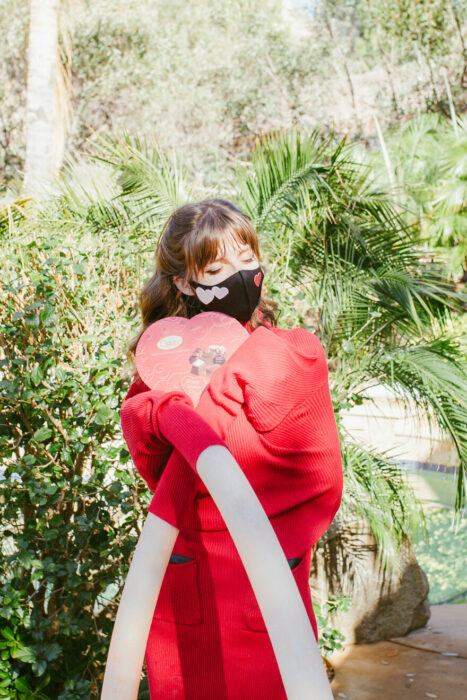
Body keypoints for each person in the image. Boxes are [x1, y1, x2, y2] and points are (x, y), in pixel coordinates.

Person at [120, 198, 344, 699]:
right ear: (182, 283)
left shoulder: (292, 354)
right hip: (187, 583)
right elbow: (156, 464)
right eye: (217, 269)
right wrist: (161, 410)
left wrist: (203, 404)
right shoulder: (162, 369)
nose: (240, 277)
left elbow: (320, 476)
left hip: (266, 584)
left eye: (248, 262)